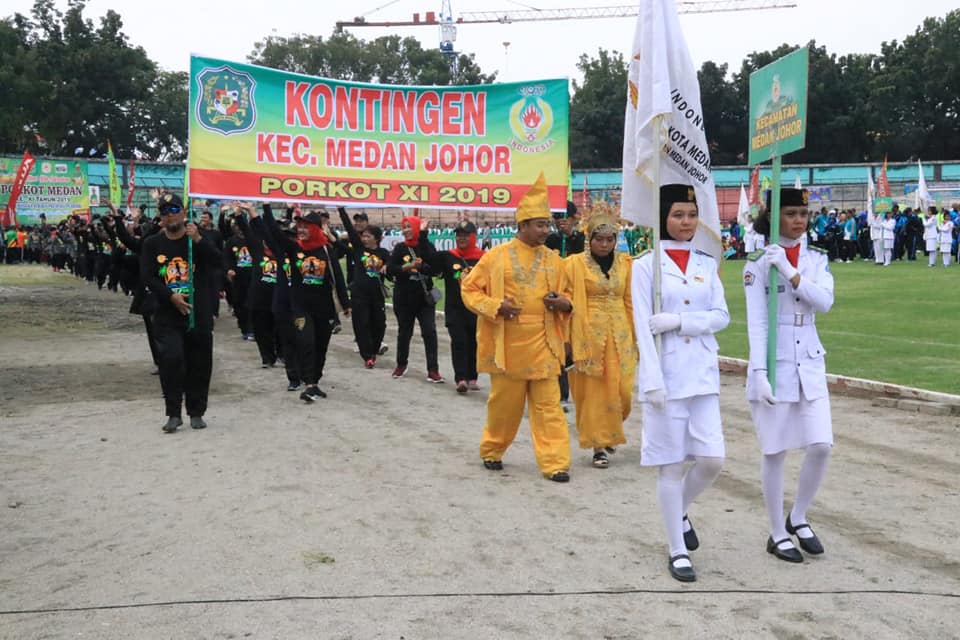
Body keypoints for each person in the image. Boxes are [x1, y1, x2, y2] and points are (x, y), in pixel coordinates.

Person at [631, 185, 729, 582]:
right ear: (662, 218)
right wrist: (650, 381)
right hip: (667, 376)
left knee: (712, 459)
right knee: (671, 467)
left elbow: (721, 315)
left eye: (691, 214)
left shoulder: (706, 263)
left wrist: (682, 321)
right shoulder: (645, 266)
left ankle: (679, 510)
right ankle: (676, 548)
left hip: (702, 373)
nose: (686, 222)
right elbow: (641, 324)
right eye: (678, 215)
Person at [460, 172, 574, 483]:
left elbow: (570, 296)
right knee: (504, 407)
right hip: (508, 345)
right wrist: (496, 306)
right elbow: (469, 290)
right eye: (540, 225)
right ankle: (492, 449)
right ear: (522, 225)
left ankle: (556, 463)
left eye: (547, 224)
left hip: (544, 344)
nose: (545, 230)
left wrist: (563, 303)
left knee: (549, 407)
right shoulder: (495, 257)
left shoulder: (554, 259)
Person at [743, 187, 834, 565]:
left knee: (821, 445)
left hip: (809, 357)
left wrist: (792, 272)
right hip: (775, 359)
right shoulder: (758, 262)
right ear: (774, 216)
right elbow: (757, 321)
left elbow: (825, 302)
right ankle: (776, 531)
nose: (799, 220)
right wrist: (759, 371)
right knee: (775, 450)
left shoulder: (815, 258)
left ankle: (797, 516)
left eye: (804, 213)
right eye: (791, 213)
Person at [139, 193, 221, 433]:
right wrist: (170, 297)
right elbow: (148, 276)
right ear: (160, 216)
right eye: (164, 210)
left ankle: (196, 411)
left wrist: (198, 239)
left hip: (199, 313)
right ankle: (173, 412)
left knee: (199, 363)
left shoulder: (197, 239)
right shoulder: (152, 243)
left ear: (184, 211)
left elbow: (217, 261)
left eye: (174, 208)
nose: (170, 214)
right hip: (167, 313)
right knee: (172, 361)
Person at [561, 214, 638, 469]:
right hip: (588, 334)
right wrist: (568, 338)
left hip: (621, 334)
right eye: (599, 239)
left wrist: (638, 337)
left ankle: (610, 428)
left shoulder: (626, 264)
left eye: (609, 240)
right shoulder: (574, 265)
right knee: (593, 393)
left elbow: (629, 301)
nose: (604, 245)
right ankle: (598, 446)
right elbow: (567, 297)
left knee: (623, 392)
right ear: (589, 239)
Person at [266, 208, 351, 401]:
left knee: (321, 345)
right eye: (299, 226)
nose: (301, 230)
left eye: (306, 226)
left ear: (315, 228)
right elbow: (275, 234)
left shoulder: (326, 250)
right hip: (301, 306)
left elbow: (337, 277)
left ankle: (315, 381)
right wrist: (266, 208)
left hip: (325, 307)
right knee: (306, 342)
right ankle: (308, 383)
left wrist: (345, 304)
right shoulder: (294, 248)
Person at [425, 219, 485, 393]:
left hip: (476, 309)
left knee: (474, 343)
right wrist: (422, 235)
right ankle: (460, 379)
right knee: (459, 342)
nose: (461, 239)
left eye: (465, 235)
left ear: (473, 237)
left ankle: (472, 377)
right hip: (455, 309)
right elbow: (429, 261)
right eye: (459, 235)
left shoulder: (483, 258)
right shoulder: (448, 256)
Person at [387, 214, 443, 382]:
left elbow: (434, 268)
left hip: (424, 299)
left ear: (418, 228)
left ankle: (433, 370)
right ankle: (401, 364)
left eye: (410, 226)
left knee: (430, 332)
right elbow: (390, 270)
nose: (406, 230)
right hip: (404, 298)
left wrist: (422, 267)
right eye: (404, 227)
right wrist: (408, 267)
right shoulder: (399, 248)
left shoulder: (427, 246)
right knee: (404, 332)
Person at [337, 207, 390, 368]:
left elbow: (393, 266)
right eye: (364, 236)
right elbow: (350, 229)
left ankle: (374, 349)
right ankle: (367, 355)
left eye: (368, 236)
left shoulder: (384, 252)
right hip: (359, 295)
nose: (364, 238)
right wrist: (341, 211)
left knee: (379, 324)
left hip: (377, 296)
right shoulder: (359, 250)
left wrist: (387, 266)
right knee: (362, 324)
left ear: (377, 239)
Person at [545, 201, 585, 411]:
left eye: (564, 218)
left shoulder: (581, 240)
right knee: (558, 345)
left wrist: (569, 237)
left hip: (577, 298)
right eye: (557, 218)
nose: (560, 222)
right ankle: (561, 395)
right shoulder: (550, 240)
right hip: (556, 295)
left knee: (575, 347)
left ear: (573, 219)